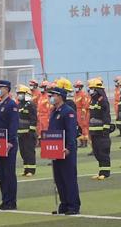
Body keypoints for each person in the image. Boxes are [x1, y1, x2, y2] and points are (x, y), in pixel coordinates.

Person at [47, 86, 81, 215]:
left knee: (69, 178)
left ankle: (73, 205)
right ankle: (64, 204)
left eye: (54, 95)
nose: (51, 97)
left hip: (66, 150)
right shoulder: (54, 111)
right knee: (59, 178)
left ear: (60, 96)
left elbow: (72, 132)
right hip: (55, 150)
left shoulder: (68, 111)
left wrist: (69, 148)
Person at [0, 80, 19, 210]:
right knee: (1, 173)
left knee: (9, 173)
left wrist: (11, 141)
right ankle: (4, 199)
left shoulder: (11, 104)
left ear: (6, 89)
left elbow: (13, 125)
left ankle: (11, 202)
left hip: (8, 144)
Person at [88, 78, 112, 179]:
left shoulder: (103, 100)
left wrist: (105, 130)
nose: (90, 90)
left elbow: (106, 116)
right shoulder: (93, 100)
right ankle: (101, 171)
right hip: (94, 131)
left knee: (103, 152)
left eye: (92, 88)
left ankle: (105, 173)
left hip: (102, 133)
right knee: (97, 151)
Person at [16, 85, 37, 177]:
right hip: (20, 133)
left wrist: (31, 130)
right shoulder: (19, 105)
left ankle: (31, 170)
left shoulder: (31, 104)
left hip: (28, 133)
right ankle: (26, 169)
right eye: (19, 93)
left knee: (29, 151)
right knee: (23, 151)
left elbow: (33, 118)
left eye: (21, 93)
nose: (19, 95)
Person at [73, 80, 90, 148]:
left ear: (80, 87)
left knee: (83, 127)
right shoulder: (75, 94)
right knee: (78, 128)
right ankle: (80, 141)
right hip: (76, 112)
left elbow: (84, 105)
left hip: (81, 112)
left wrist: (83, 114)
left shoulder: (83, 94)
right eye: (75, 87)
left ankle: (85, 142)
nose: (76, 88)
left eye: (77, 87)